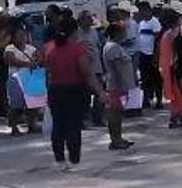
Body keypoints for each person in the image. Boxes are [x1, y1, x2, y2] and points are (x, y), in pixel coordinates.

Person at [44, 13, 107, 170]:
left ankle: (59, 159)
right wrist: (100, 91)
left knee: (58, 124)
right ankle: (74, 157)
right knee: (74, 124)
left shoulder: (49, 48)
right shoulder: (78, 49)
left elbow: (46, 71)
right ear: (74, 31)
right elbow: (86, 72)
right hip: (74, 89)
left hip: (55, 89)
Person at [101, 23, 136, 150]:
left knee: (118, 113)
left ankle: (118, 137)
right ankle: (115, 139)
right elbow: (117, 67)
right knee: (114, 113)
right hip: (116, 86)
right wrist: (123, 83)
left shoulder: (116, 46)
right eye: (123, 31)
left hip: (119, 86)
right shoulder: (112, 48)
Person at [3, 27, 41, 135]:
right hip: (16, 78)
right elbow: (10, 60)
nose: (22, 38)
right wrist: (29, 64)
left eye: (23, 35)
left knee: (34, 104)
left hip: (32, 77)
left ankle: (32, 124)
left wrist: (35, 63)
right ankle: (14, 127)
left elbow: (39, 57)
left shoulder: (31, 48)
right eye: (19, 35)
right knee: (16, 105)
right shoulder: (10, 48)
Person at [159, 9, 182, 128]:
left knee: (174, 92)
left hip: (167, 65)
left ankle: (177, 116)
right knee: (178, 92)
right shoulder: (173, 34)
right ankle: (177, 116)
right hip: (173, 66)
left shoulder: (165, 34)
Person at [78, 11, 106, 127]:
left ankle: (98, 118)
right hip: (84, 68)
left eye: (91, 18)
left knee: (99, 93)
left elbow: (98, 46)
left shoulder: (94, 32)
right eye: (88, 18)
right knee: (84, 95)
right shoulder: (77, 33)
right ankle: (83, 119)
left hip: (96, 66)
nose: (91, 20)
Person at [135, 2, 163, 110]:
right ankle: (146, 99)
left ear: (148, 10)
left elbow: (157, 40)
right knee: (145, 78)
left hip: (152, 54)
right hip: (143, 53)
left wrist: (156, 55)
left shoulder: (154, 22)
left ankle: (159, 100)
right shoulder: (141, 23)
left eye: (142, 10)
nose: (141, 13)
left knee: (156, 79)